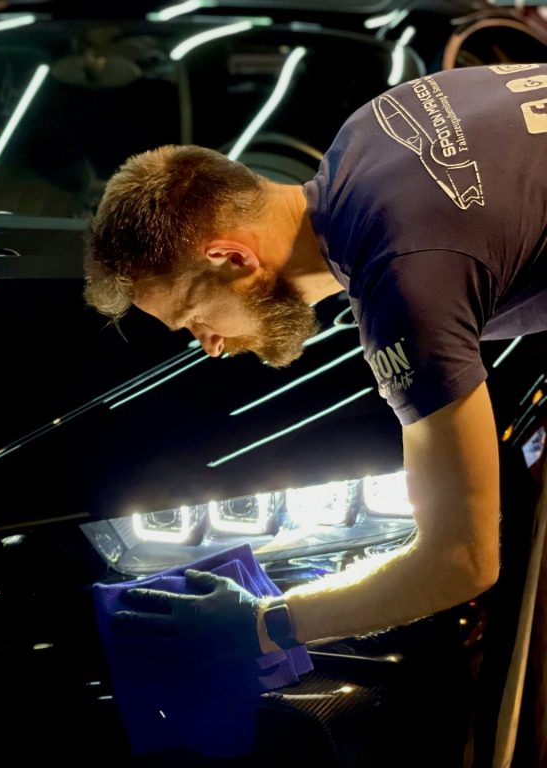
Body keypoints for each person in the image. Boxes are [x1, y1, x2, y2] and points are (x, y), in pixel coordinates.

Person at [84, 63, 547, 656]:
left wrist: (264, 623)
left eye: (195, 316)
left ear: (231, 258)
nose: (211, 343)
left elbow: (461, 561)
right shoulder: (370, 131)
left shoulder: (403, 281)